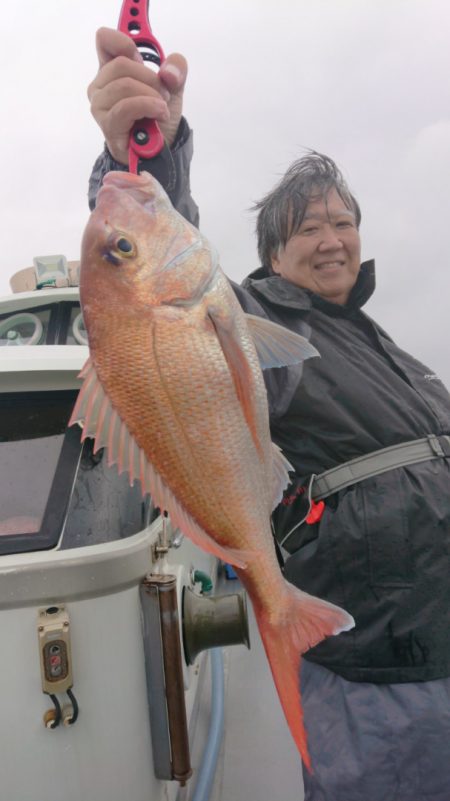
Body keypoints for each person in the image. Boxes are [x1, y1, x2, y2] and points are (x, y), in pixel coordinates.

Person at [87, 28, 450, 801]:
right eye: (307, 228)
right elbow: (151, 291)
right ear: (271, 254)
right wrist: (152, 150)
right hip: (376, 679)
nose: (332, 241)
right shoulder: (243, 317)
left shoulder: (392, 349)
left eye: (342, 223)